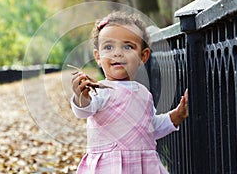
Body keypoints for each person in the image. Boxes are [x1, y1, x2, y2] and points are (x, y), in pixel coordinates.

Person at [70, 11, 188, 174]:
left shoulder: (144, 93)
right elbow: (85, 110)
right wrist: (81, 97)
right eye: (108, 47)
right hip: (110, 167)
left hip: (144, 166)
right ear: (98, 56)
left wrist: (176, 116)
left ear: (143, 56)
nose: (117, 53)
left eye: (128, 46)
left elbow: (150, 127)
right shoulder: (100, 91)